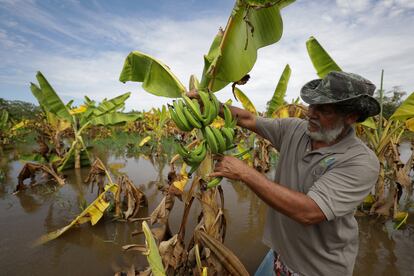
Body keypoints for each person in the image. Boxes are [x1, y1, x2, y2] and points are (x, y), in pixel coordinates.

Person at [207, 71, 380, 275]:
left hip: (316, 269)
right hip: (278, 256)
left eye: (323, 109)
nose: (310, 113)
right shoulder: (295, 130)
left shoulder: (360, 161)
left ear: (350, 117)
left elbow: (308, 212)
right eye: (312, 105)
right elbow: (248, 119)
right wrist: (213, 106)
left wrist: (245, 173)